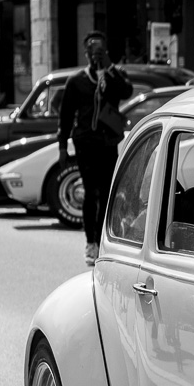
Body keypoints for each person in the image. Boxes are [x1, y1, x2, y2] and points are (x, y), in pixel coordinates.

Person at [58, 31, 133, 265]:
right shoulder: (76, 81)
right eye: (91, 51)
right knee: (91, 192)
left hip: (107, 142)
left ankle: (103, 240)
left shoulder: (114, 76)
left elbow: (126, 92)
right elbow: (65, 117)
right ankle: (91, 242)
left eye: (99, 50)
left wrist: (109, 67)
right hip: (85, 144)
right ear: (85, 53)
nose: (95, 55)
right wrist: (62, 148)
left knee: (107, 192)